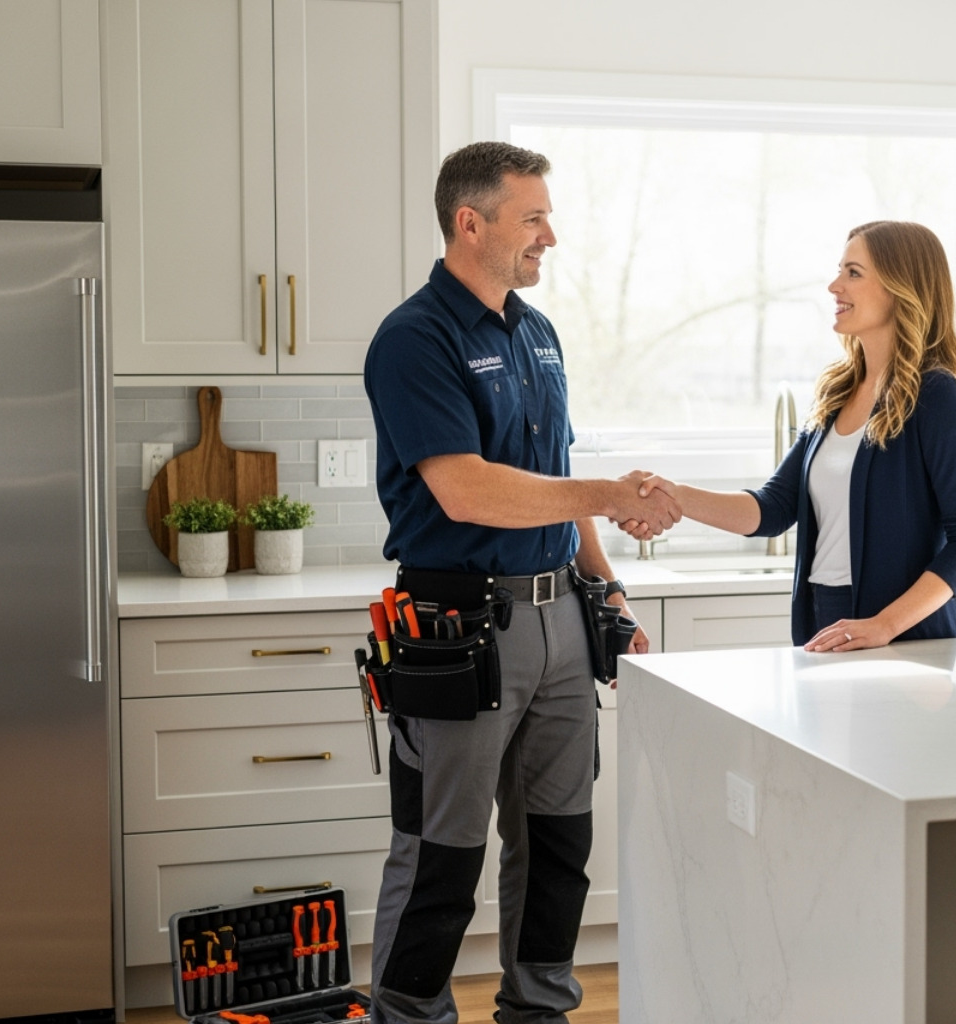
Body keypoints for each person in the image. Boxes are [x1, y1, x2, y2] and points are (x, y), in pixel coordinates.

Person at [363, 141, 679, 1024]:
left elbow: (553, 473)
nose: (552, 235)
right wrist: (612, 496)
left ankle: (537, 1008)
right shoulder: (414, 338)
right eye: (533, 216)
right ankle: (410, 1015)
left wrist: (608, 589)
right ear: (472, 222)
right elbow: (464, 486)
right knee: (442, 853)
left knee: (557, 843)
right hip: (459, 628)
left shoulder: (537, 333)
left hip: (561, 624)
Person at [630, 220, 956, 650]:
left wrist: (884, 625)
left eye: (853, 273)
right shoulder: (839, 391)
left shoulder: (936, 396)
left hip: (905, 637)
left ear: (900, 287)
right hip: (826, 620)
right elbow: (773, 508)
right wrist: (676, 496)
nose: (834, 285)